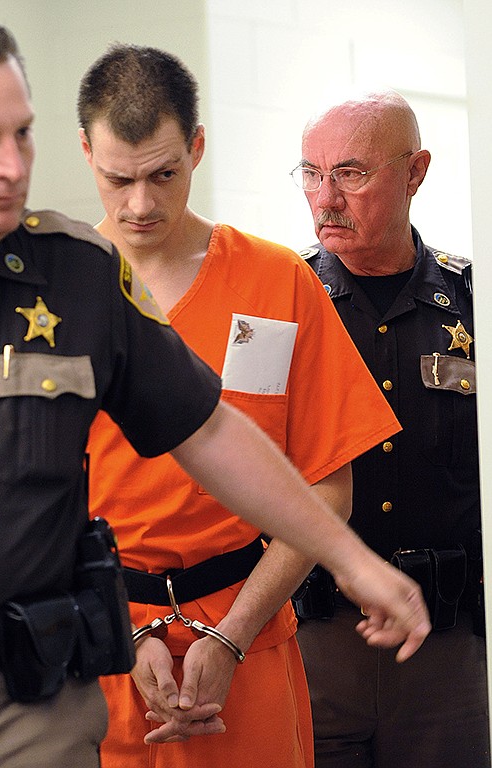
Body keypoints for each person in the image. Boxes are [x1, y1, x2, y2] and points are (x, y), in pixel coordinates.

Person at [0, 16, 429, 767]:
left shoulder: (79, 277)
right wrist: (127, 628)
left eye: (21, 136)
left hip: (64, 687)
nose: (12, 165)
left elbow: (210, 432)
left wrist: (349, 564)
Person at [78, 45, 411, 768]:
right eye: (118, 179)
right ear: (85, 153)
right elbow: (27, 500)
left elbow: (329, 487)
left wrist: (230, 636)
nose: (141, 204)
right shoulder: (55, 295)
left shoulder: (275, 279)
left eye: (164, 174)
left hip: (250, 635)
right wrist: (125, 636)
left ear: (198, 148)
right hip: (98, 645)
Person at [291, 90, 488, 768]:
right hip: (314, 638)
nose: (325, 199)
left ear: (415, 172)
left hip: (447, 647)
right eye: (311, 174)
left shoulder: (472, 304)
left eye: (350, 173)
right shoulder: (280, 304)